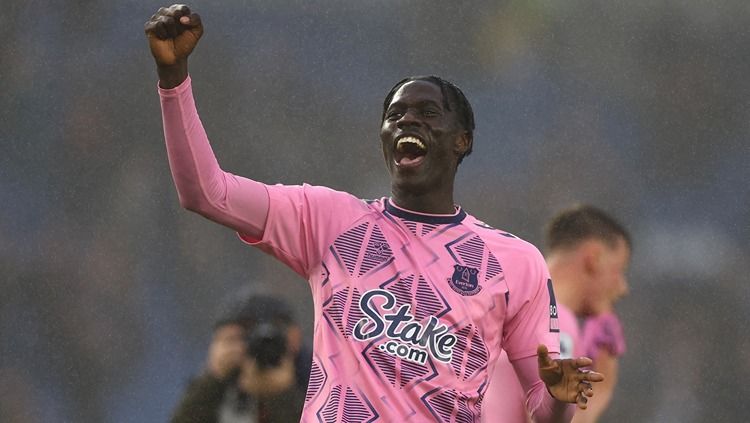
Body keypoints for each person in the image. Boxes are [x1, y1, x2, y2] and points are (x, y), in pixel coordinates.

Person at [145, 5, 603, 421]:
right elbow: (207, 193)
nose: (407, 121)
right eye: (396, 115)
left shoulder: (511, 262)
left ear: (462, 140)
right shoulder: (329, 221)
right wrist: (173, 78)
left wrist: (561, 395)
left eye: (427, 112)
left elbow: (543, 412)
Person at [482, 205, 630, 422]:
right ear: (594, 258)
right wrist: (602, 390)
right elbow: (545, 418)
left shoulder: (503, 298)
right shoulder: (556, 321)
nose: (623, 287)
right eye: (619, 270)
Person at [170, 292, 311, 423]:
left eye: (274, 337)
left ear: (295, 335)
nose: (262, 345)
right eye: (245, 337)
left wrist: (283, 395)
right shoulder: (222, 379)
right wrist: (214, 378)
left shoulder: (315, 374)